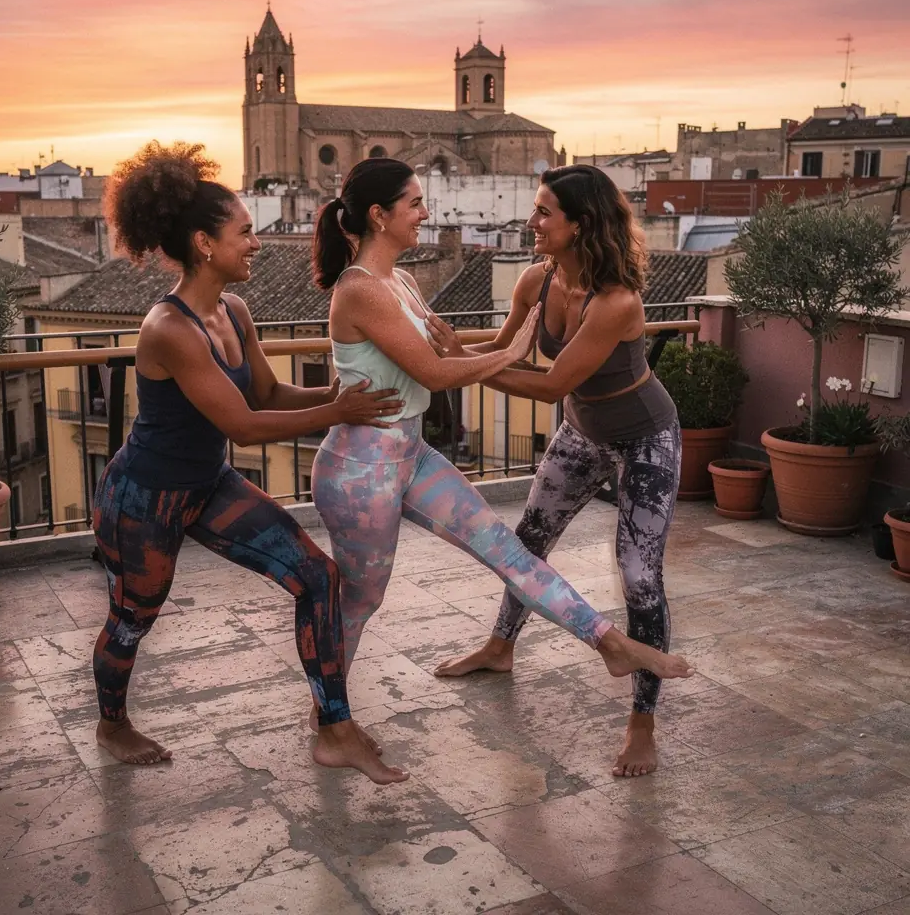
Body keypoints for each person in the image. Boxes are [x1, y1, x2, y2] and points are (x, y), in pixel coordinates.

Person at [308, 158, 693, 732]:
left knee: (550, 561)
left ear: (582, 224)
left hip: (429, 452)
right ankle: (332, 720)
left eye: (544, 212)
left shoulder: (403, 279)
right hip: (364, 468)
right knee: (365, 600)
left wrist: (468, 357)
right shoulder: (367, 290)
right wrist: (495, 357)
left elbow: (476, 363)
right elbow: (442, 369)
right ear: (378, 216)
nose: (426, 212)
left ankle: (617, 662)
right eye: (415, 203)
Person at [91, 141, 408, 784]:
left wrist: (337, 396)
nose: (256, 243)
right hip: (145, 498)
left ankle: (335, 727)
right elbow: (241, 424)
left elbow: (264, 394)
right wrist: (337, 414)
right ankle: (112, 723)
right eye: (244, 232)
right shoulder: (168, 328)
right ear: (205, 245)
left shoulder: (232, 309)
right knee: (135, 615)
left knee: (317, 576)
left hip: (207, 485)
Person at [433, 164, 681, 778]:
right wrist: (455, 349)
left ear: (582, 224)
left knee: (638, 576)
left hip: (645, 438)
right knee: (526, 545)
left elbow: (549, 385)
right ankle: (500, 647)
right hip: (583, 432)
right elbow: (507, 350)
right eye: (536, 208)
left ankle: (642, 722)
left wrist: (453, 360)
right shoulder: (535, 280)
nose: (532, 220)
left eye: (545, 211)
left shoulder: (616, 302)